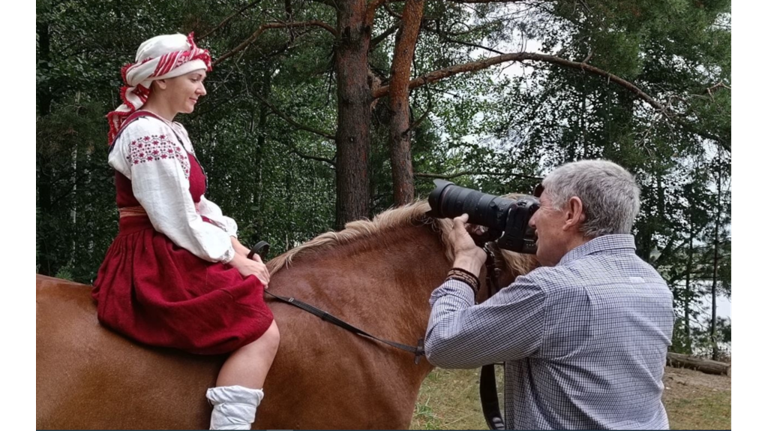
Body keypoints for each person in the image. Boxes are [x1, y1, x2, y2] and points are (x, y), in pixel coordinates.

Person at [93, 33, 279, 430]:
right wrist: (232, 260)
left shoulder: (172, 131)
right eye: (194, 78)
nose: (202, 89)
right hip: (155, 255)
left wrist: (237, 245)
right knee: (260, 327)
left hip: (173, 242)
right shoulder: (147, 133)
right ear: (162, 80)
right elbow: (173, 217)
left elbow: (197, 206)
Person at [425, 159, 675, 430]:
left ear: (572, 213)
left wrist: (466, 263)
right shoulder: (654, 284)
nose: (532, 220)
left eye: (540, 207)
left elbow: (443, 344)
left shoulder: (551, 290)